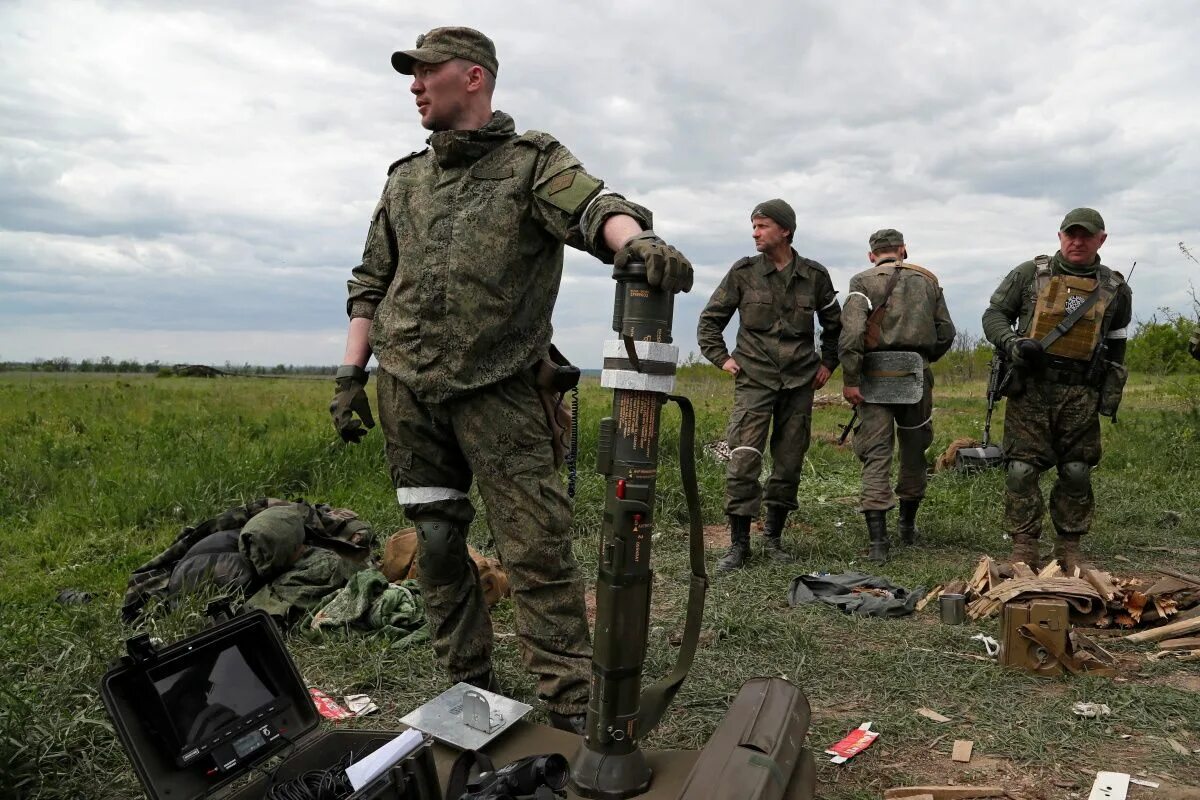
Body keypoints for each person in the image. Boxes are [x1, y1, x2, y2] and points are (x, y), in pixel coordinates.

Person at [329, 26, 694, 734]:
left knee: (536, 551)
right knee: (435, 545)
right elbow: (370, 283)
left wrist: (637, 242)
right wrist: (351, 375)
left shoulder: (531, 162)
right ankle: (469, 692)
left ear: (472, 77)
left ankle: (568, 710)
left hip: (501, 388)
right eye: (411, 74)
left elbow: (594, 208)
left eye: (425, 72)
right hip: (406, 387)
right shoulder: (404, 178)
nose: (413, 85)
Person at [982, 208, 1131, 573]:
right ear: (1060, 236)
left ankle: (1069, 547)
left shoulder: (1114, 287)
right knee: (1021, 470)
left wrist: (1108, 388)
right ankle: (1023, 547)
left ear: (1102, 239)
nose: (1077, 241)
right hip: (1031, 387)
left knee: (1077, 470)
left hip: (1080, 392)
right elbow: (994, 314)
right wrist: (1013, 343)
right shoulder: (1030, 274)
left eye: (1086, 235)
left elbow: (1116, 339)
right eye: (1071, 234)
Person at [697, 199, 842, 572]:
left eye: (762, 226)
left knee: (789, 460)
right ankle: (738, 545)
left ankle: (774, 538)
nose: (755, 233)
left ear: (785, 230)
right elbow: (710, 321)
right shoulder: (743, 272)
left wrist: (827, 362)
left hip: (799, 382)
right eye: (754, 226)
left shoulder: (814, 275)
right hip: (755, 380)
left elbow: (834, 325)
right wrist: (724, 359)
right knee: (744, 458)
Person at [838, 229, 955, 563]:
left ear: (872, 255)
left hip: (874, 375)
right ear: (903, 249)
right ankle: (907, 527)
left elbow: (852, 334)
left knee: (877, 454)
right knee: (915, 451)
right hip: (916, 373)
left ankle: (878, 543)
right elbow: (946, 332)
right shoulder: (928, 281)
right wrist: (922, 360)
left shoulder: (862, 281)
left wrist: (851, 378)